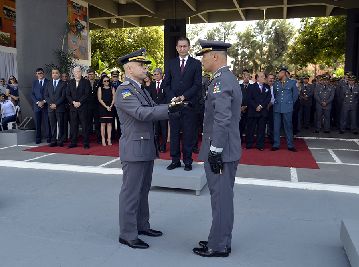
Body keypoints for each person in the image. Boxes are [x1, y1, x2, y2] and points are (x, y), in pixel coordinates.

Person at [115, 48, 184, 249]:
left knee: (143, 190)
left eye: (145, 65)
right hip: (134, 149)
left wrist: (172, 104)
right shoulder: (124, 90)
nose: (146, 68)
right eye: (141, 65)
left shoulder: (141, 89)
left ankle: (142, 225)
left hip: (145, 147)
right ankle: (127, 233)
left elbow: (153, 109)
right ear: (129, 68)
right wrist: (169, 109)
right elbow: (141, 113)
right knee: (131, 192)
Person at [192, 40, 242, 257]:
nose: (202, 60)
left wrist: (216, 150)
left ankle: (219, 245)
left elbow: (222, 119)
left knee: (220, 199)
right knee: (223, 197)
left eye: (204, 56)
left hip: (222, 149)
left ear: (215, 57)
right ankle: (220, 238)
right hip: (226, 147)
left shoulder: (222, 82)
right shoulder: (224, 79)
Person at [162, 36, 202, 171]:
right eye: (180, 46)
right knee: (173, 134)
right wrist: (173, 97)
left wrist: (184, 96)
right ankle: (175, 160)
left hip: (189, 105)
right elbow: (165, 84)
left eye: (185, 46)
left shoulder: (196, 64)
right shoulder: (170, 63)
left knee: (188, 134)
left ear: (189, 47)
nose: (182, 48)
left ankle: (188, 161)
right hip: (174, 106)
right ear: (176, 48)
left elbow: (197, 85)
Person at [272, 67, 298, 152]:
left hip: (287, 108)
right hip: (277, 107)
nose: (278, 75)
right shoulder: (276, 83)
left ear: (283, 73)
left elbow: (295, 96)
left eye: (279, 73)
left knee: (288, 126)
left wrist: (289, 103)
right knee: (276, 126)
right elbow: (275, 95)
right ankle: (276, 144)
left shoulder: (292, 82)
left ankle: (290, 145)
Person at [66, 66, 91, 149]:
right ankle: (73, 142)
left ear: (81, 72)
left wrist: (80, 102)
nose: (77, 73)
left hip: (83, 107)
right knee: (73, 126)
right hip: (73, 108)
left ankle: (86, 143)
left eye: (79, 71)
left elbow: (87, 94)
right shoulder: (70, 82)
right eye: (76, 72)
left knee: (84, 126)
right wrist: (73, 102)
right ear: (73, 73)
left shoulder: (86, 82)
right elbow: (67, 95)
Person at [246, 72, 272, 151]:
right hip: (253, 111)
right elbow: (249, 98)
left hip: (263, 111)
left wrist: (261, 106)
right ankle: (249, 144)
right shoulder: (251, 87)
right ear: (257, 78)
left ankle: (260, 145)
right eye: (261, 76)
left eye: (264, 76)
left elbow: (268, 98)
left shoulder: (267, 87)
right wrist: (256, 106)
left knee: (261, 129)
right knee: (251, 129)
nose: (263, 78)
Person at [44, 68, 67, 147]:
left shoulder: (63, 83)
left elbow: (63, 96)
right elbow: (46, 95)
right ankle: (53, 140)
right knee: (52, 125)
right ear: (51, 74)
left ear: (59, 74)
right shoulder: (48, 83)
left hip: (60, 107)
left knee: (61, 124)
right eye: (53, 73)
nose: (54, 74)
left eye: (56, 73)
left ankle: (60, 140)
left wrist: (56, 104)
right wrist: (51, 104)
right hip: (50, 108)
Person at [148, 68, 168, 152]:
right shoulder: (151, 85)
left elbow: (167, 96)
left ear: (161, 74)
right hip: (155, 110)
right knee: (155, 130)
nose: (155, 76)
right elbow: (150, 97)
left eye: (157, 74)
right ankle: (156, 146)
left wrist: (163, 106)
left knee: (164, 129)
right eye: (154, 74)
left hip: (163, 110)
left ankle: (163, 146)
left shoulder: (166, 84)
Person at [31, 68, 51, 144]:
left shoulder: (48, 82)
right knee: (38, 123)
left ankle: (49, 137)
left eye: (41, 73)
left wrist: (44, 101)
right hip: (37, 106)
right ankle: (38, 138)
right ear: (36, 74)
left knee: (47, 122)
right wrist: (37, 102)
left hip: (46, 105)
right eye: (38, 73)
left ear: (44, 73)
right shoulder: (34, 83)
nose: (40, 74)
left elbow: (50, 94)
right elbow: (32, 94)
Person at [97, 75, 115, 146]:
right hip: (103, 107)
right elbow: (100, 99)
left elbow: (114, 97)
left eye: (108, 80)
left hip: (110, 107)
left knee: (110, 124)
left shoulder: (112, 88)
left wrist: (111, 106)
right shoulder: (100, 88)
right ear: (102, 82)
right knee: (103, 124)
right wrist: (106, 106)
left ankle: (109, 139)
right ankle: (103, 139)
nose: (107, 82)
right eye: (105, 81)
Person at [87, 68, 101, 144]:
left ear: (94, 75)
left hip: (96, 106)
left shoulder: (98, 82)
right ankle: (88, 139)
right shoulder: (85, 82)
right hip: (88, 106)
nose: (90, 76)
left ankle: (98, 139)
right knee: (88, 123)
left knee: (97, 123)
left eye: (92, 74)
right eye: (89, 74)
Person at [239, 71, 251, 142]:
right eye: (245, 76)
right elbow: (236, 98)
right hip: (240, 109)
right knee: (240, 126)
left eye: (247, 76)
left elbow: (253, 98)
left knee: (249, 126)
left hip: (250, 109)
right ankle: (239, 140)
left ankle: (248, 141)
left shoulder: (252, 87)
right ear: (242, 77)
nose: (246, 78)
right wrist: (240, 107)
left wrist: (246, 106)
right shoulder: (238, 87)